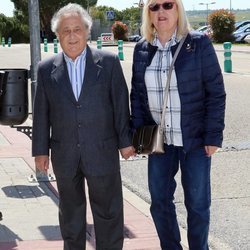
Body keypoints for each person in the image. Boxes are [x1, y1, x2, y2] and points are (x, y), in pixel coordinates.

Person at [32, 3, 134, 250]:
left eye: (77, 29)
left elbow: (120, 104)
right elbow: (41, 113)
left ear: (88, 32)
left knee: (109, 213)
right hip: (65, 153)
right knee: (70, 215)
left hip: (102, 151)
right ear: (57, 35)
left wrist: (126, 142)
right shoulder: (46, 69)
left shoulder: (108, 63)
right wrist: (40, 151)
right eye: (65, 31)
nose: (72, 36)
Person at [130, 0, 226, 249]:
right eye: (154, 7)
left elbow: (216, 93)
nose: (161, 11)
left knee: (197, 204)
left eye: (167, 5)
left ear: (178, 9)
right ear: (148, 14)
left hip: (194, 140)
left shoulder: (198, 44)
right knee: (159, 202)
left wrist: (213, 136)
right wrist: (138, 135)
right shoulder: (142, 49)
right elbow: (137, 96)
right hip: (160, 142)